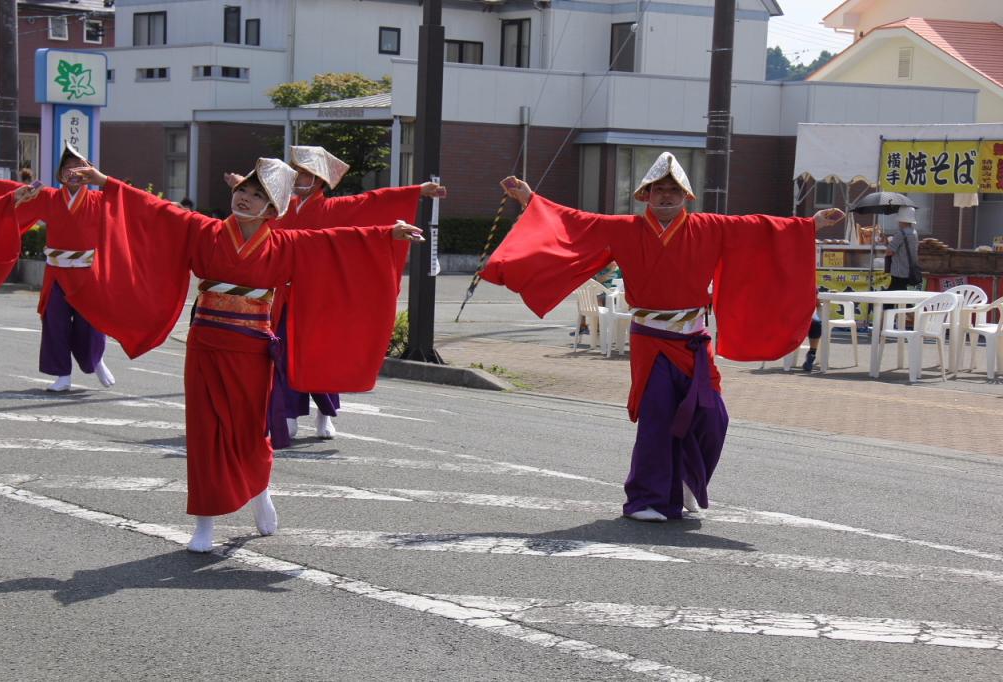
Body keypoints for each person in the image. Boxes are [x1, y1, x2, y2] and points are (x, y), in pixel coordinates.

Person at [1, 157, 422, 553]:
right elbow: (155, 211)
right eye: (244, 190)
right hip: (205, 344)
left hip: (252, 348)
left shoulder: (288, 243)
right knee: (203, 434)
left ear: (273, 209)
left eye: (257, 195)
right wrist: (105, 183)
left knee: (247, 431)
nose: (245, 197)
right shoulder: (204, 231)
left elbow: (336, 242)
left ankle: (259, 492)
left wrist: (387, 233)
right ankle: (204, 521)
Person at [483, 152, 844, 522]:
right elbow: (575, 223)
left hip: (693, 340)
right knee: (657, 419)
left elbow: (759, 229)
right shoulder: (624, 229)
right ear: (646, 195)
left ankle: (690, 477)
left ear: (686, 196)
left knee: (713, 417)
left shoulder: (710, 227)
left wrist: (811, 223)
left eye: (673, 190)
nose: (666, 196)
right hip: (650, 340)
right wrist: (530, 199)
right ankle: (647, 499)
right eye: (659, 190)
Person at [227, 145, 445, 443]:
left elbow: (372, 202)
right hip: (286, 297)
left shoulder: (335, 209)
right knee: (283, 354)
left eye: (305, 173)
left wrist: (416, 190)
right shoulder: (283, 207)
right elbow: (257, 210)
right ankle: (286, 415)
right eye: (297, 172)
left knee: (322, 354)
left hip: (322, 297)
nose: (298, 177)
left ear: (318, 181)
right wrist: (244, 185)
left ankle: (325, 411)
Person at [0, 144, 117, 392]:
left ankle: (96, 359)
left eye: (79, 168)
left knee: (90, 323)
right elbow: (12, 202)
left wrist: (104, 181)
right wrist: (19, 198)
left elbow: (127, 201)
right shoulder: (48, 197)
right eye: (67, 168)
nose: (73, 172)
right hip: (57, 272)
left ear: (88, 172)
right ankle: (62, 375)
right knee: (55, 322)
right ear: (60, 174)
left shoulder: (100, 200)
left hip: (88, 274)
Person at [885, 206, 921, 291]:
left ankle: (888, 305)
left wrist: (889, 242)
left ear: (901, 220)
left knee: (891, 296)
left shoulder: (901, 234)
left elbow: (889, 252)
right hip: (910, 270)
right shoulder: (914, 233)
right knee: (903, 294)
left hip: (899, 271)